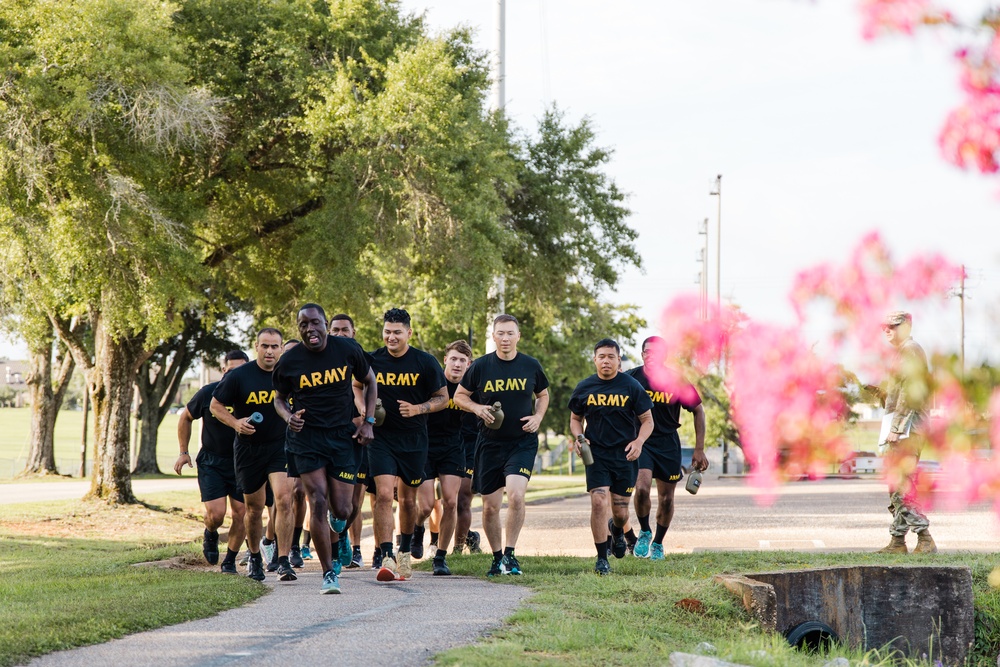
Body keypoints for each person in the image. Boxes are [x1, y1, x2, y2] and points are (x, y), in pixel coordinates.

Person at [273, 303, 377, 594]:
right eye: (304, 325)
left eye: (315, 323)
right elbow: (279, 398)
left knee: (343, 508)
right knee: (317, 500)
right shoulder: (290, 360)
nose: (310, 329)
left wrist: (368, 421)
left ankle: (340, 531)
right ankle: (328, 573)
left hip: (342, 436)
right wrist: (288, 416)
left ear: (325, 323)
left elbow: (370, 381)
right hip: (306, 438)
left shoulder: (347, 349)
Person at [454, 314, 549, 577]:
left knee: (517, 495)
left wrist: (538, 417)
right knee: (490, 506)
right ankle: (496, 558)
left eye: (510, 333)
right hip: (489, 444)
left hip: (522, 442)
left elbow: (542, 394)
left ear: (518, 336)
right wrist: (477, 408)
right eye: (500, 333)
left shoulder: (531, 365)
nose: (505, 338)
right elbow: (459, 396)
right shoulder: (481, 366)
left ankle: (510, 554)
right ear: (493, 337)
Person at [363, 308, 448, 582]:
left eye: (397, 332)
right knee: (385, 495)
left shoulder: (425, 362)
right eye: (387, 331)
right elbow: (355, 386)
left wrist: (419, 408)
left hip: (414, 439)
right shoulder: (372, 359)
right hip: (381, 438)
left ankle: (403, 552)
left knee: (408, 499)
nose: (391, 337)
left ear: (409, 333)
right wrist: (366, 412)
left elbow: (442, 398)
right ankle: (385, 555)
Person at [211, 329, 296, 583]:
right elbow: (215, 405)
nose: (270, 351)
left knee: (283, 499)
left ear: (281, 349)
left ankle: (283, 560)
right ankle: (256, 556)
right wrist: (236, 423)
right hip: (249, 449)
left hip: (281, 446)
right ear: (256, 347)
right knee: (254, 508)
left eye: (275, 346)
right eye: (265, 346)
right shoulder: (239, 376)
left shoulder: (289, 375)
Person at [568, 338, 653, 575]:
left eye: (611, 356)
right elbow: (575, 418)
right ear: (595, 359)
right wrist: (579, 437)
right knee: (598, 501)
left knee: (620, 512)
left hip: (625, 456)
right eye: (602, 356)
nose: (606, 360)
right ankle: (601, 558)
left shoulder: (631, 386)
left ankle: (617, 531)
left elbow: (647, 420)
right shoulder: (585, 387)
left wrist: (639, 442)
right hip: (596, 455)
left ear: (618, 360)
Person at [626, 336, 708, 560]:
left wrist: (699, 449)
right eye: (647, 352)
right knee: (641, 488)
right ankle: (644, 531)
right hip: (641, 442)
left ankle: (659, 543)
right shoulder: (630, 379)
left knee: (667, 499)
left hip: (668, 443)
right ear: (642, 355)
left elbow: (698, 410)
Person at [174, 350, 250, 574]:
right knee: (216, 515)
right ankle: (211, 533)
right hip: (212, 461)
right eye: (232, 370)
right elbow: (185, 417)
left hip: (243, 461)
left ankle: (230, 560)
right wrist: (183, 451)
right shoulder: (208, 393)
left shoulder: (251, 394)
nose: (237, 374)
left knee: (241, 513)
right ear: (224, 370)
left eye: (242, 370)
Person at [872, 311, 935, 554]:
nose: (886, 330)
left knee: (901, 484)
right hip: (901, 427)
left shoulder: (910, 349)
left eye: (892, 326)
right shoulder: (901, 353)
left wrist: (897, 428)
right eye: (883, 326)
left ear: (907, 326)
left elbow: (910, 394)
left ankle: (925, 538)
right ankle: (898, 541)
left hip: (908, 429)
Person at [414, 340, 474, 576]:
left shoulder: (469, 389)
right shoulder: (433, 382)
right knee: (427, 505)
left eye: (462, 360)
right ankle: (418, 528)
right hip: (426, 447)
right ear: (445, 361)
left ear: (468, 365)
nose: (457, 364)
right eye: (454, 359)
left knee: (450, 501)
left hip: (453, 448)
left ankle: (440, 557)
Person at [328, 313, 373, 570]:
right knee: (329, 499)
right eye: (336, 330)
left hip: (359, 437)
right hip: (330, 439)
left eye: (345, 330)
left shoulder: (361, 359)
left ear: (353, 333)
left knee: (353, 503)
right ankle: (333, 556)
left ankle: (344, 535)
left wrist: (365, 420)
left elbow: (370, 388)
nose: (340, 334)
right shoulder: (319, 360)